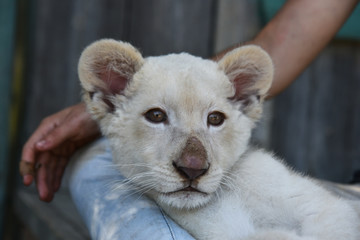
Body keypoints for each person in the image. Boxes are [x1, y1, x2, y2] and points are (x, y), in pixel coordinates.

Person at [19, 0, 359, 239]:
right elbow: (284, 38)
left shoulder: (258, 175)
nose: (193, 161)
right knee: (91, 163)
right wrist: (108, 112)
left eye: (215, 118)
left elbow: (335, 217)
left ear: (243, 104)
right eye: (156, 115)